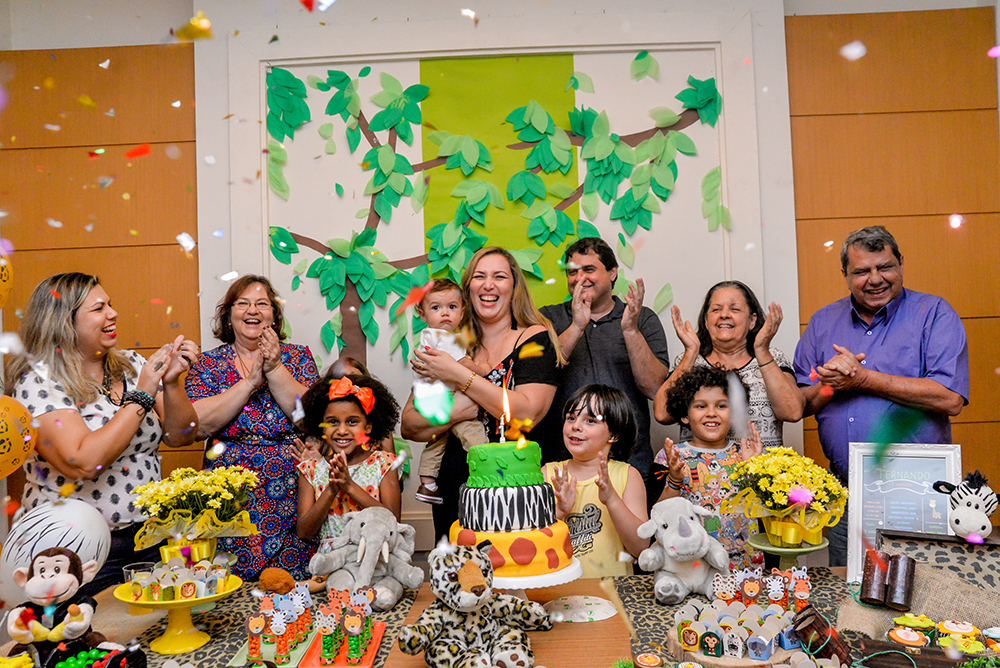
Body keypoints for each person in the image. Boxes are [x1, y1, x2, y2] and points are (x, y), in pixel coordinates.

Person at [4, 272, 199, 596]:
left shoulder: (132, 365)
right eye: (98, 309)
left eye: (110, 304)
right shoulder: (39, 382)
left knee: (147, 640)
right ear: (64, 322)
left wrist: (172, 383)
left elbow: (183, 435)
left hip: (148, 539)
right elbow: (83, 462)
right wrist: (143, 394)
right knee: (92, 642)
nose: (113, 313)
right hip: (74, 553)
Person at [794, 225, 968, 566]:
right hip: (845, 494)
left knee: (921, 596)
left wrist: (863, 378)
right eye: (861, 271)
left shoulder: (933, 314)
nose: (875, 279)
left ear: (901, 263)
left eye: (884, 267)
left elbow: (950, 398)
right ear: (845, 274)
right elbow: (802, 404)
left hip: (917, 492)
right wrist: (831, 381)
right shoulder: (822, 322)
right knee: (853, 596)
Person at [400, 246, 563, 539]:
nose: (488, 285)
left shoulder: (534, 339)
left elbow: (526, 413)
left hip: (514, 487)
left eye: (499, 276)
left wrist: (458, 375)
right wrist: (456, 412)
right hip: (456, 487)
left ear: (514, 287)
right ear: (467, 292)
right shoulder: (450, 344)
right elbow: (410, 425)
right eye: (479, 276)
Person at [186, 275, 319, 579]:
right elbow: (198, 425)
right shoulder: (207, 364)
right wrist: (247, 384)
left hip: (289, 487)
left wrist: (274, 368)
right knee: (228, 580)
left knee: (288, 583)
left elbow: (309, 419)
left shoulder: (299, 357)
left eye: (262, 304)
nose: (253, 310)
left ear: (274, 315)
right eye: (242, 303)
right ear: (229, 315)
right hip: (228, 492)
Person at [533, 237, 670, 490]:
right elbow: (535, 378)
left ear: (612, 273)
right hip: (560, 463)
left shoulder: (642, 319)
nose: (579, 278)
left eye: (589, 269)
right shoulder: (547, 318)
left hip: (630, 462)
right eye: (572, 272)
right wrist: (576, 326)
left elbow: (653, 388)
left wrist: (630, 330)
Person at [653, 280, 804, 452]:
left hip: (761, 474)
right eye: (716, 309)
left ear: (752, 321)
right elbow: (662, 414)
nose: (724, 315)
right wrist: (691, 352)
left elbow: (793, 412)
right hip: (702, 474)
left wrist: (761, 350)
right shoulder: (688, 360)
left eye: (735, 309)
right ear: (706, 320)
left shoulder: (773, 357)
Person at [653, 365, 763, 569]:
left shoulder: (745, 453)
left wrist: (754, 469)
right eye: (701, 406)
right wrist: (675, 478)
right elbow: (658, 515)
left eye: (721, 406)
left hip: (744, 568)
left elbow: (767, 510)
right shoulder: (671, 456)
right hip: (691, 569)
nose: (712, 413)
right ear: (685, 415)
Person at [542, 385, 648, 577]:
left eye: (590, 420)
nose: (576, 426)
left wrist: (611, 499)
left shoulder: (628, 476)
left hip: (614, 591)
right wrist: (560, 511)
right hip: (558, 590)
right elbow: (533, 544)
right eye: (571, 418)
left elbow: (641, 547)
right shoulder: (549, 473)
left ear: (613, 434)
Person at [291, 375, 401, 553]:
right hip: (330, 567)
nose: (342, 431)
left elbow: (393, 521)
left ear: (368, 427)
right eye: (333, 422)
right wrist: (331, 489)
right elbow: (304, 532)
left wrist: (349, 486)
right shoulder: (310, 470)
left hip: (375, 562)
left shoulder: (385, 464)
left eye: (352, 422)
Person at [411, 278, 488, 505]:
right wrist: (482, 368)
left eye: (451, 307)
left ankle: (427, 482)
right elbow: (462, 365)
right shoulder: (445, 338)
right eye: (436, 308)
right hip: (446, 397)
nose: (445, 313)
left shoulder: (427, 335)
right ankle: (485, 468)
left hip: (427, 396)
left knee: (438, 439)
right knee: (473, 432)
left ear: (462, 311)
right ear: (422, 314)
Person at [324, 356, 395, 455]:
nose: (349, 384)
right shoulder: (320, 433)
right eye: (342, 379)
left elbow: (390, 464)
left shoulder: (382, 433)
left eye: (355, 379)